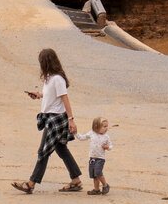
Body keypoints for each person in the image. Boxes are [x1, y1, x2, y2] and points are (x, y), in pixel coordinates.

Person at [11, 48, 84, 193]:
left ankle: (31, 184)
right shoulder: (49, 78)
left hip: (56, 119)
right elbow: (49, 95)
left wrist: (71, 120)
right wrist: (38, 95)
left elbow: (65, 99)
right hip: (50, 118)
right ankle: (76, 180)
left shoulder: (57, 79)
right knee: (61, 149)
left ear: (46, 63)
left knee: (43, 151)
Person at [78, 117, 114, 195]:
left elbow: (111, 146)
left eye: (106, 126)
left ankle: (105, 185)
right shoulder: (91, 133)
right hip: (92, 158)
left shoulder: (106, 136)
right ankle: (96, 189)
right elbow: (82, 138)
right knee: (94, 175)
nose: (106, 128)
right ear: (96, 126)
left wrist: (107, 147)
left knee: (98, 172)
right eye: (104, 126)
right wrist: (75, 133)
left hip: (100, 158)